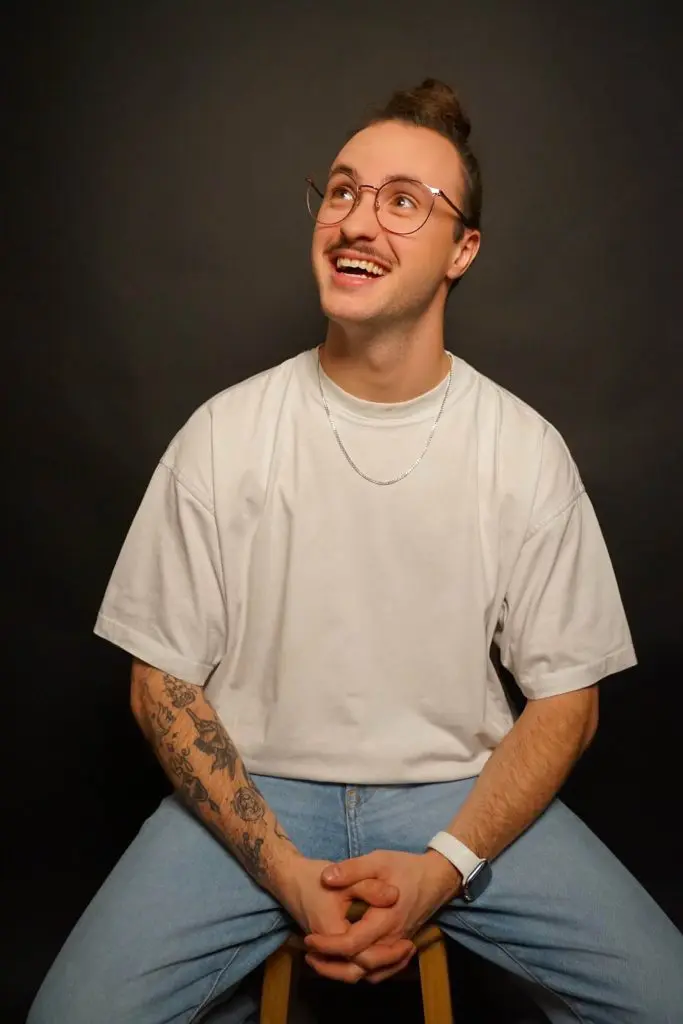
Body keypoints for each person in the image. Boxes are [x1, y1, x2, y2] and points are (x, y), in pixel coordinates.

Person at [29, 78, 683, 1024]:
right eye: (341, 191)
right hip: (253, 792)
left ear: (462, 251)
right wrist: (282, 870)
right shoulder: (222, 433)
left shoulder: (523, 449)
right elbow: (158, 684)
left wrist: (443, 867)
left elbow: (567, 702)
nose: (356, 221)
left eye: (403, 202)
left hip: (455, 794)